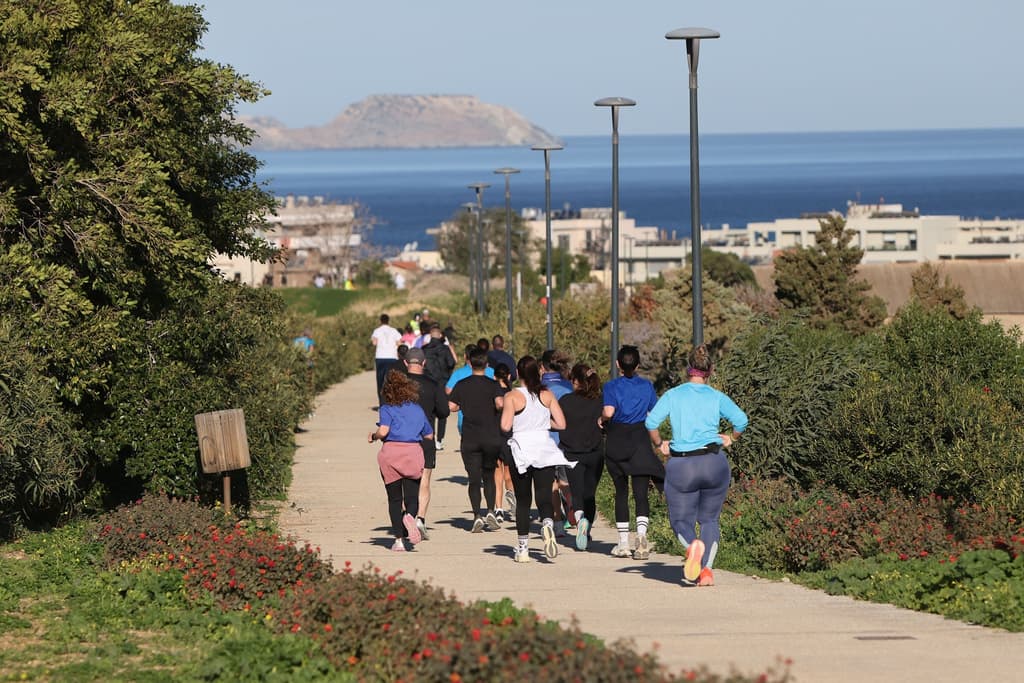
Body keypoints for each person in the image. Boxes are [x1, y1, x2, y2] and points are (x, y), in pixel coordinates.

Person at [646, 344, 748, 587]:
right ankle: (707, 573)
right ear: (710, 371)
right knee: (710, 520)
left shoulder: (673, 395)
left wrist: (661, 444)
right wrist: (731, 438)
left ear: (687, 370)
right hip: (714, 462)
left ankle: (693, 546)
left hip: (683, 464)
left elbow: (651, 422)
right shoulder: (716, 396)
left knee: (681, 521)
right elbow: (741, 420)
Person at [500, 355, 574, 563]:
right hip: (544, 448)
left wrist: (519, 420)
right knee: (544, 495)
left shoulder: (512, 396)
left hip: (522, 449)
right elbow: (561, 424)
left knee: (523, 500)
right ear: (538, 372)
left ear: (518, 373)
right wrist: (542, 422)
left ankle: (523, 548)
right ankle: (548, 525)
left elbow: (505, 426)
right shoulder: (547, 394)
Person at [601, 345, 663, 560]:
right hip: (640, 441)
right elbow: (653, 414)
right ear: (637, 365)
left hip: (617, 441)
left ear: (618, 364)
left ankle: (623, 543)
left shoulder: (610, 386)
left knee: (621, 492)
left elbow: (608, 412)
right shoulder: (647, 386)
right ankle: (643, 537)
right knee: (640, 493)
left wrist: (601, 420)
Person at [368, 369, 433, 552]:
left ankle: (398, 541)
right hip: (413, 453)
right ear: (408, 387)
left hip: (391, 454)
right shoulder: (417, 409)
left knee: (394, 499)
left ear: (386, 390)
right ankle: (410, 516)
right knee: (412, 497)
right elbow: (429, 434)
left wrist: (373, 436)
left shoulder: (387, 408)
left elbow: (384, 431)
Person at [448, 347, 505, 533]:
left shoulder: (462, 384)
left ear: (470, 363)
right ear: (487, 364)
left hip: (470, 437)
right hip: (490, 436)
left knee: (473, 479)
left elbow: (452, 406)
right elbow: (499, 403)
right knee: (489, 475)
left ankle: (476, 515)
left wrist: (464, 404)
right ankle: (490, 510)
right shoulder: (493, 384)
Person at [401, 347, 450, 540]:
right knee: (425, 479)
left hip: (402, 438)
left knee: (404, 480)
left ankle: (407, 516)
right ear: (424, 363)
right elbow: (444, 411)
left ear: (406, 363)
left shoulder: (398, 383)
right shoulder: (433, 384)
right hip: (426, 437)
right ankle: (420, 517)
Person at [558, 363, 605, 551]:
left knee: (576, 493)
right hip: (595, 452)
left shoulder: (566, 401)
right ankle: (588, 528)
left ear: (575, 381)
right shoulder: (600, 401)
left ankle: (580, 523)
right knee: (589, 494)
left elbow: (558, 423)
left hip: (572, 453)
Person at [540, 349, 574, 532]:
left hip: (547, 441)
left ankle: (558, 522)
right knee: (565, 482)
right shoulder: (569, 386)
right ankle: (574, 509)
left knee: (551, 484)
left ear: (542, 367)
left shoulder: (539, 388)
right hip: (568, 441)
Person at [421, 323, 456, 449]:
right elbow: (452, 363)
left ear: (430, 336)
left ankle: (430, 436)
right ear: (440, 335)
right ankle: (439, 440)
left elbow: (421, 365)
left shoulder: (424, 349)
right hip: (442, 382)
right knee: (442, 412)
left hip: (428, 383)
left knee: (429, 412)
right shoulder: (445, 349)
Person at [446, 344, 494, 436]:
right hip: (488, 419)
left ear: (465, 356)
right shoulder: (491, 371)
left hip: (465, 420)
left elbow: (448, 390)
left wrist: (462, 401)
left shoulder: (458, 373)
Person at [492, 363, 516, 522]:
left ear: (494, 376)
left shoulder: (491, 391)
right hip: (510, 434)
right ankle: (513, 502)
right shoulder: (512, 393)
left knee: (496, 473)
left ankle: (498, 508)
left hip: (494, 434)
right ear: (508, 376)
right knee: (509, 473)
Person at [370, 314, 401, 405]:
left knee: (380, 380)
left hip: (380, 357)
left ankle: (381, 402)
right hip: (392, 357)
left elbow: (374, 343)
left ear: (380, 321)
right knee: (391, 380)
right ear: (388, 320)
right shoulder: (394, 331)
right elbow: (399, 343)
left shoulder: (377, 331)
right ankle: (391, 401)